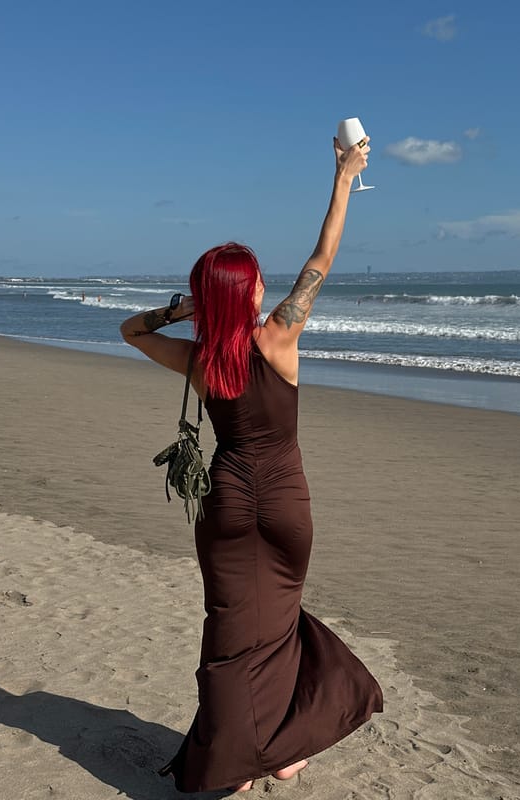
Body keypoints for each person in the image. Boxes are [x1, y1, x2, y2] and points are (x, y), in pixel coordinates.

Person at [119, 135, 383, 793]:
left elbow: (131, 331)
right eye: (257, 277)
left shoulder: (201, 359)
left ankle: (238, 764)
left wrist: (186, 310)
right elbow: (322, 258)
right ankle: (282, 750)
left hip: (231, 501)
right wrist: (345, 178)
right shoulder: (281, 335)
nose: (267, 282)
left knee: (232, 633)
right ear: (253, 289)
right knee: (282, 622)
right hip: (287, 499)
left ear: (210, 297)